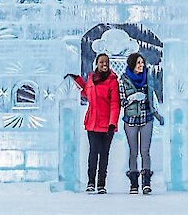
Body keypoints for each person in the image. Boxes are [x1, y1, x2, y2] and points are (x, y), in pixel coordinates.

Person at [67, 53, 122, 193]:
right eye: (101, 62)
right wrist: (78, 80)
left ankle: (101, 184)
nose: (104, 64)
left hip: (107, 124)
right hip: (92, 122)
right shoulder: (91, 78)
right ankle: (91, 182)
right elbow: (86, 93)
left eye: (106, 62)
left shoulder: (112, 81)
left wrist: (112, 123)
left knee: (104, 154)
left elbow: (115, 103)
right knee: (93, 153)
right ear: (96, 63)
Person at [118, 51, 165, 194]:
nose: (141, 65)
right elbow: (122, 102)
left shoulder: (148, 79)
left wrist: (157, 114)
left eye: (142, 62)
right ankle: (133, 183)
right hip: (131, 120)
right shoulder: (123, 80)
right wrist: (132, 98)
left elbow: (153, 98)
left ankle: (146, 182)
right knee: (133, 151)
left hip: (147, 118)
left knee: (145, 151)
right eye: (138, 63)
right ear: (132, 64)